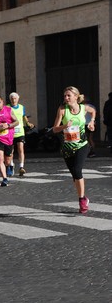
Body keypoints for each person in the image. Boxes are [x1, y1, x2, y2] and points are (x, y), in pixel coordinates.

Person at [52, 85, 96, 214]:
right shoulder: (62, 110)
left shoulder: (83, 108)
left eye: (68, 96)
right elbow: (55, 129)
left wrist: (92, 122)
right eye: (65, 96)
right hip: (67, 147)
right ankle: (84, 197)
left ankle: (82, 200)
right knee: (75, 175)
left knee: (77, 170)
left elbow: (93, 110)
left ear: (76, 97)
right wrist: (65, 126)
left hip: (82, 145)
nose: (66, 98)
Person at [8, 92, 35, 176]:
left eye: (15, 98)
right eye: (12, 99)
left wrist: (28, 123)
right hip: (11, 132)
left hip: (20, 132)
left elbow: (24, 116)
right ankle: (11, 165)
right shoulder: (7, 108)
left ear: (18, 99)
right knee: (10, 151)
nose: (13, 100)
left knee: (20, 149)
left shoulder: (21, 107)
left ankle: (21, 167)